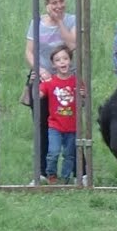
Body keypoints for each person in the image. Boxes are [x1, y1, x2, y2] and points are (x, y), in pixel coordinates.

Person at [24, 0, 77, 182]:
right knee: (43, 125)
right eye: (54, 3)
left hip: (67, 81)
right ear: (47, 4)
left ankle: (80, 172)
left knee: (74, 126)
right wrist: (40, 70)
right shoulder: (36, 23)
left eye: (61, 2)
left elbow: (72, 45)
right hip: (44, 80)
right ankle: (42, 173)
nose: (58, 6)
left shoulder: (71, 20)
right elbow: (29, 51)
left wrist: (59, 21)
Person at [37, 45, 87, 185]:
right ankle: (51, 175)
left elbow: (83, 102)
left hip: (72, 126)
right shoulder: (50, 83)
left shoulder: (77, 81)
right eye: (58, 60)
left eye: (65, 58)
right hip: (55, 125)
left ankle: (64, 179)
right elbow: (37, 96)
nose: (62, 62)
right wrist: (35, 82)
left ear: (70, 61)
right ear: (53, 64)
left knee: (69, 155)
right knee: (53, 152)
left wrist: (83, 96)